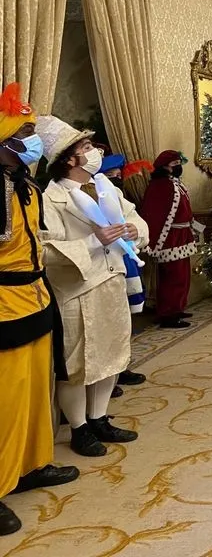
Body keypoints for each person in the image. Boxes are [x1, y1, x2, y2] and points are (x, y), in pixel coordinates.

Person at [37, 116, 147, 457]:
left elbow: (134, 217)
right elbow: (44, 250)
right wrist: (92, 242)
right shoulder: (48, 199)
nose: (95, 151)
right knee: (76, 364)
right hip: (78, 290)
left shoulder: (106, 188)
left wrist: (132, 230)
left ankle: (99, 417)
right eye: (86, 148)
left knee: (111, 356)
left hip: (112, 280)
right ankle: (79, 427)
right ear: (70, 159)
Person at [0, 86, 78, 536]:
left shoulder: (25, 184)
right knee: (6, 400)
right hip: (4, 306)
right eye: (26, 131)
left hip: (35, 298)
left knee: (35, 392)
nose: (34, 140)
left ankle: (30, 465)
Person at [99, 153, 153, 394]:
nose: (116, 179)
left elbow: (136, 219)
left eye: (118, 175)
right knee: (104, 323)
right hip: (101, 267)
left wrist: (136, 230)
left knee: (124, 320)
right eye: (111, 175)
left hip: (125, 264)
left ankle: (121, 366)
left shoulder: (117, 194)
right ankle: (106, 374)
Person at [139, 151, 198, 329]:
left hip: (182, 234)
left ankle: (177, 307)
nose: (178, 166)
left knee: (182, 275)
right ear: (165, 166)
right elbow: (156, 215)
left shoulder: (175, 183)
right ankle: (168, 313)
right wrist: (156, 242)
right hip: (170, 237)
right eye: (175, 163)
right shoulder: (160, 186)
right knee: (173, 276)